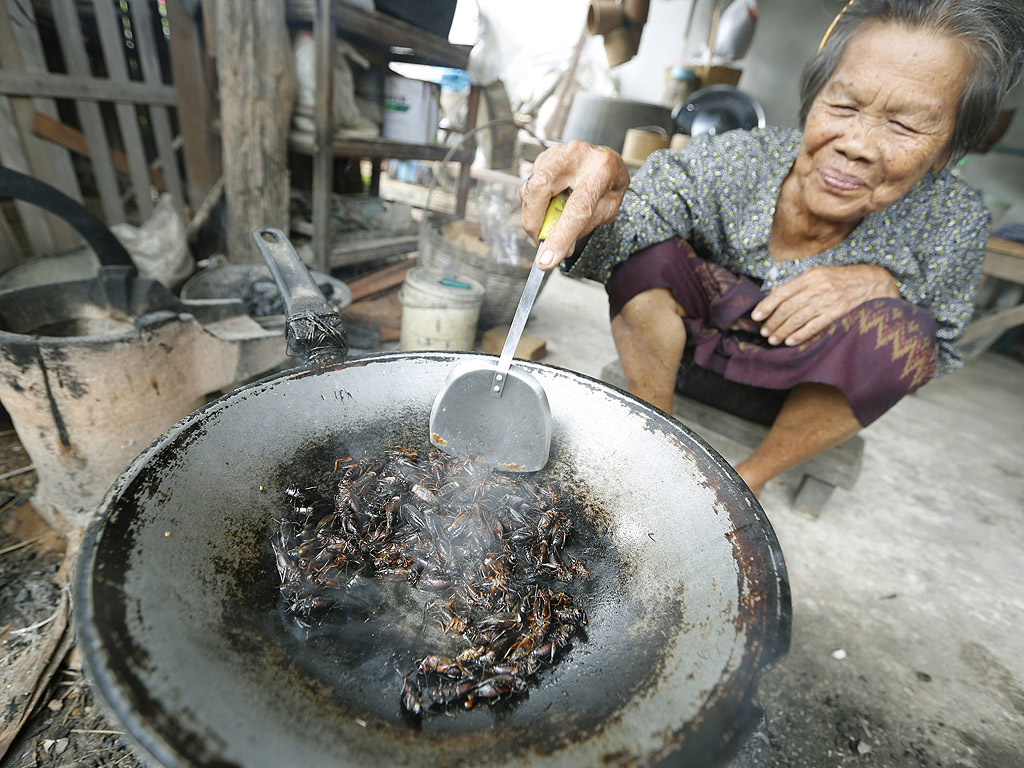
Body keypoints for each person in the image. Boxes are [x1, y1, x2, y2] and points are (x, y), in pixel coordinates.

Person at [519, 0, 1024, 497]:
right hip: (679, 360)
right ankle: (657, 443)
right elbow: (628, 224)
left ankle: (750, 480)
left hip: (798, 395)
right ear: (814, 99)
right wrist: (593, 203)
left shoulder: (953, 220)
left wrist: (890, 285)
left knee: (908, 336)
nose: (857, 143)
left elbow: (944, 342)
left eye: (905, 125)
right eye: (844, 105)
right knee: (647, 253)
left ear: (948, 150)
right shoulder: (740, 159)